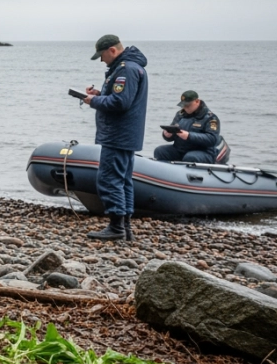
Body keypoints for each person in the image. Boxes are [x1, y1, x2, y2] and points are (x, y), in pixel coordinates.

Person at [82, 35, 148, 241]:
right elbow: (122, 98)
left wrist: (94, 101)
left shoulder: (125, 70)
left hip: (118, 134)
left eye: (102, 56)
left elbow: (120, 103)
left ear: (112, 50)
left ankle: (116, 226)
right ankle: (125, 227)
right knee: (123, 180)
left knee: (110, 179)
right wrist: (100, 94)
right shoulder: (132, 67)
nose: (102, 60)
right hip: (127, 134)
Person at [153, 91, 229, 164]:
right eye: (184, 105)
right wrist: (167, 135)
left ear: (197, 101)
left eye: (188, 105)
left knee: (190, 157)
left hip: (203, 152)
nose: (185, 108)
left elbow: (212, 139)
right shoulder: (180, 115)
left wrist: (189, 136)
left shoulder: (210, 118)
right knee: (159, 151)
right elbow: (172, 132)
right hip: (181, 149)